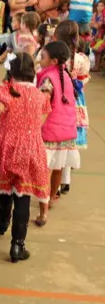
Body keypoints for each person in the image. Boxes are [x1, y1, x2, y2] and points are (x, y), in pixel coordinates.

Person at [0, 53, 50, 263]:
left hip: (5, 145)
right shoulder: (40, 96)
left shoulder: (6, 92)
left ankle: (3, 220)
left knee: (6, 185)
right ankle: (17, 246)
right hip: (30, 148)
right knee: (24, 194)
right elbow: (41, 119)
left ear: (11, 73)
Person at [35, 41, 79, 227]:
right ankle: (52, 198)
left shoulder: (48, 79)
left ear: (53, 60)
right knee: (58, 168)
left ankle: (43, 213)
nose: (39, 59)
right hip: (66, 130)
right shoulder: (65, 76)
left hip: (50, 131)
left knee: (44, 173)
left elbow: (43, 106)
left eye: (42, 57)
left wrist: (34, 125)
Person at [52, 21, 90, 196]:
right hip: (76, 101)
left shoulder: (56, 56)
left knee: (58, 142)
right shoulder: (82, 59)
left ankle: (57, 184)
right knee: (70, 141)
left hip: (59, 100)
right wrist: (78, 84)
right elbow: (84, 79)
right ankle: (66, 180)